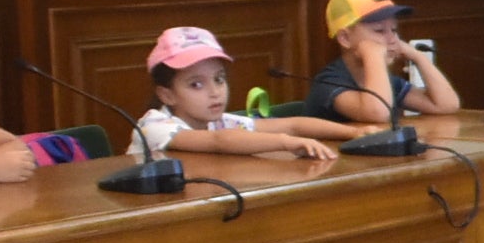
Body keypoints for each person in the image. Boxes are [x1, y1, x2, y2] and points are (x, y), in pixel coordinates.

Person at [139, 27, 357, 162]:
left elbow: (294, 125)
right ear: (167, 95)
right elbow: (218, 141)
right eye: (196, 84)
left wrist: (355, 132)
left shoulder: (220, 121)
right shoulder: (154, 125)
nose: (215, 92)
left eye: (219, 79)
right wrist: (286, 143)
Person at [310, 0, 460, 127]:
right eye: (379, 31)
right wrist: (374, 56)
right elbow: (377, 113)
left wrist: (418, 56)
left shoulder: (388, 82)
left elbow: (446, 105)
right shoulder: (329, 81)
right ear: (345, 38)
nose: (392, 39)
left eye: (393, 30)